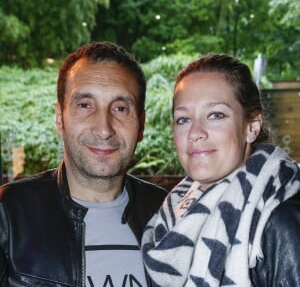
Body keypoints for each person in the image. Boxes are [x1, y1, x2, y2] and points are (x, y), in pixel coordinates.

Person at [0, 41, 167, 286]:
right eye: (85, 105)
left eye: (120, 108)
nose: (103, 129)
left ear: (141, 124)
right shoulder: (9, 213)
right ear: (60, 119)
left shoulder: (167, 213)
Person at [142, 53, 300, 286]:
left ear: (252, 127)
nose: (195, 132)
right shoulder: (173, 211)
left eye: (216, 115)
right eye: (183, 119)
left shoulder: (281, 221)